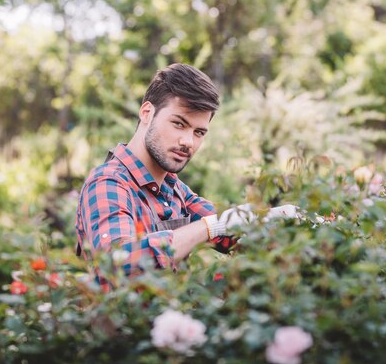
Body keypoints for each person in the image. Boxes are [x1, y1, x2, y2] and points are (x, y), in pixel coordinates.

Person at [75, 63, 292, 283]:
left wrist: (287, 221)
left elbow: (235, 232)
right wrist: (209, 227)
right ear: (147, 113)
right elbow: (118, 263)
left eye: (198, 132)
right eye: (179, 124)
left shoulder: (174, 190)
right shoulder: (108, 182)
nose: (188, 142)